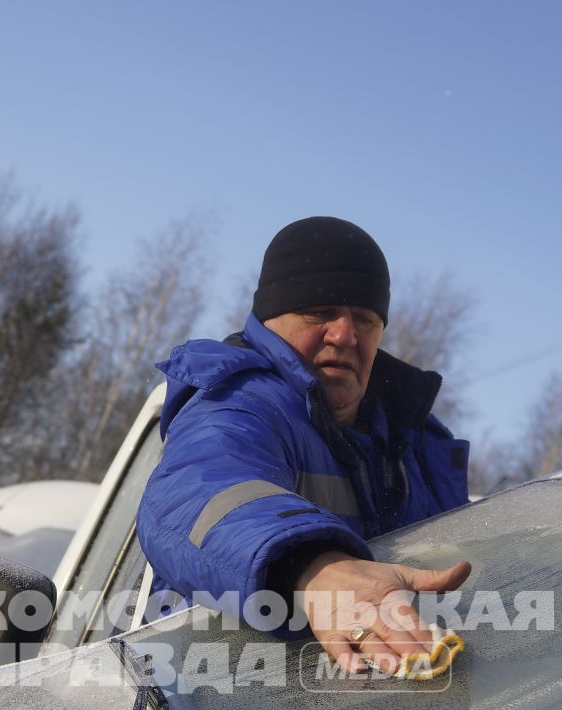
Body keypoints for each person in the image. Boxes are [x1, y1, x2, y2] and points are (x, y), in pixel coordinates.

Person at [137, 216, 473, 674]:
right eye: (319, 313)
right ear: (270, 320)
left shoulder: (416, 446)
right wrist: (314, 568)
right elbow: (196, 491)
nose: (345, 335)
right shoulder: (240, 404)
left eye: (365, 319)